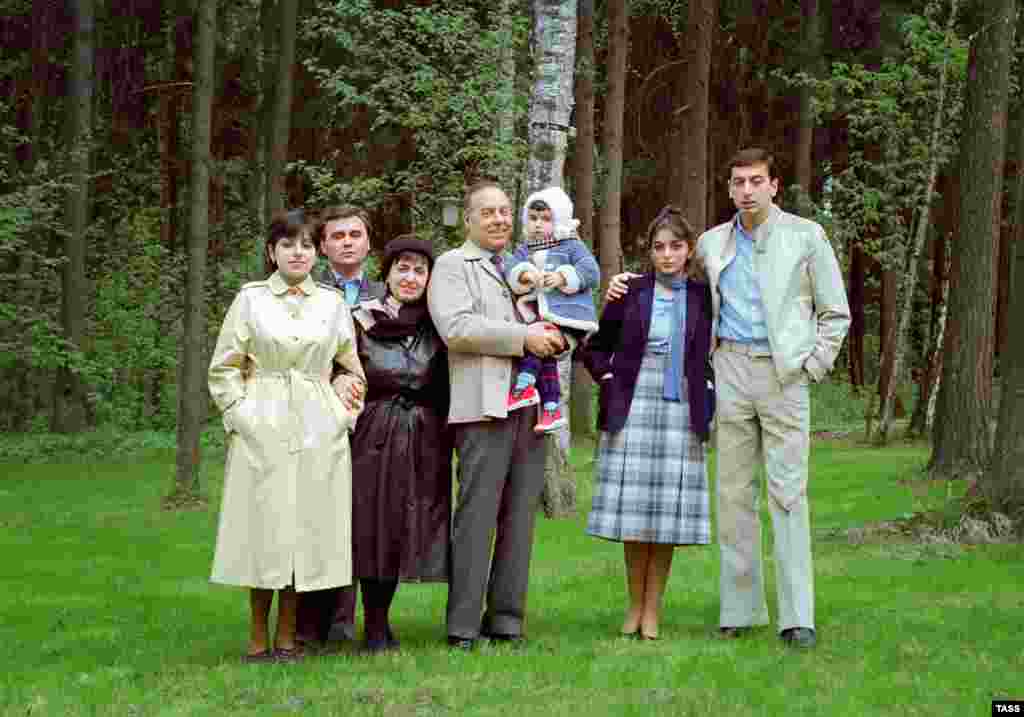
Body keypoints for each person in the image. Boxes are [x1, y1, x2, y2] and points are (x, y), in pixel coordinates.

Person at [607, 148, 850, 648]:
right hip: (731, 369)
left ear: (773, 186)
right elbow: (667, 271)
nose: (746, 190)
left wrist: (812, 365)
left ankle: (796, 617)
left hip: (784, 375)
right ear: (730, 188)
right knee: (734, 495)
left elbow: (835, 313)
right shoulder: (714, 242)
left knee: (787, 493)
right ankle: (740, 609)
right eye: (737, 182)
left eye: (755, 181)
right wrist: (621, 284)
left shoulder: (806, 237)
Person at [208, 209, 366, 662]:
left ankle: (288, 637)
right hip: (264, 419)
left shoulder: (332, 303)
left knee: (305, 529)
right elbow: (224, 368)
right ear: (271, 252)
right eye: (288, 245)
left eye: (306, 245)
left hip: (319, 423)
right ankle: (257, 638)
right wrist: (241, 414)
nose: (297, 253)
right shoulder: (250, 300)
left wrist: (342, 415)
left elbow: (351, 368)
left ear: (316, 254)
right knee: (262, 528)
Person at [427, 180, 565, 649]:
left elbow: (555, 312)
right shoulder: (451, 266)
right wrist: (522, 338)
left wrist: (559, 335)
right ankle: (462, 626)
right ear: (468, 220)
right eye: (488, 212)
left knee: (519, 517)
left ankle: (506, 620)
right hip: (483, 407)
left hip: (532, 405)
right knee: (477, 517)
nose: (500, 219)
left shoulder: (526, 264)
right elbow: (457, 328)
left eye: (505, 211)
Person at [581, 206, 713, 640]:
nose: (668, 255)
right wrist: (607, 376)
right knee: (637, 514)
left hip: (681, 407)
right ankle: (633, 606)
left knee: (665, 517)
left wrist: (710, 391)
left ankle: (654, 609)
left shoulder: (703, 295)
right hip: (634, 403)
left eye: (676, 246)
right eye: (659, 247)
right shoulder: (631, 291)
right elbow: (595, 346)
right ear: (650, 252)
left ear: (689, 249)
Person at [349, 236, 453, 654]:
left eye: (419, 270)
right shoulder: (360, 318)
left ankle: (382, 621)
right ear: (387, 273)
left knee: (400, 528)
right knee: (371, 525)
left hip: (423, 434)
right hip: (372, 431)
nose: (410, 278)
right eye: (402, 269)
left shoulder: (439, 323)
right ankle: (371, 625)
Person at [295, 204, 385, 646]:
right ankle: (312, 620)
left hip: (375, 421)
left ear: (368, 242)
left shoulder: (389, 293)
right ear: (323, 246)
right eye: (337, 236)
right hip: (316, 414)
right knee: (316, 516)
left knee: (363, 518)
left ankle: (355, 620)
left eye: (355, 234)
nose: (347, 241)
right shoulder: (305, 291)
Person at [505, 186, 599, 433]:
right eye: (533, 218)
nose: (538, 224)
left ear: (559, 220)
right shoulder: (525, 249)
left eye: (546, 219)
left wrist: (562, 277)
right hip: (540, 314)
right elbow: (511, 267)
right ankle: (550, 408)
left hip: (568, 314)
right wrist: (523, 274)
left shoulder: (570, 246)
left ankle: (523, 386)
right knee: (544, 354)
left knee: (539, 341)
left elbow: (591, 271)